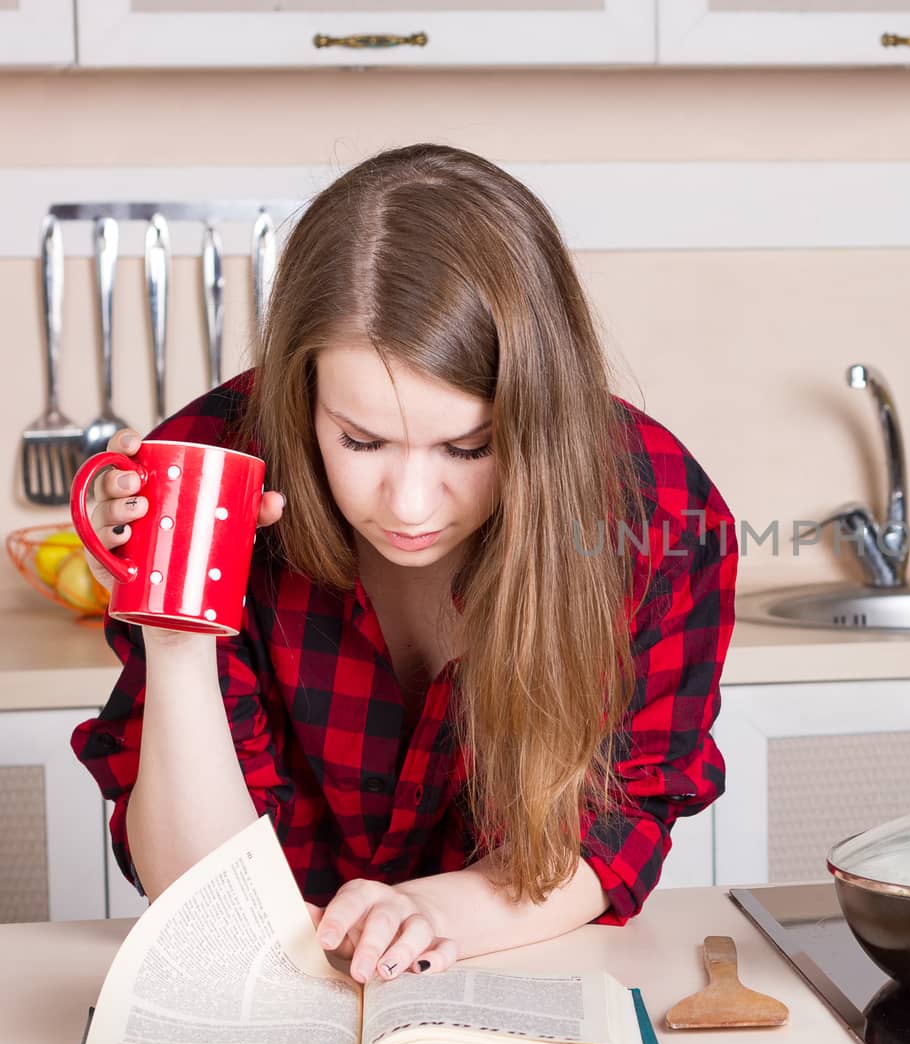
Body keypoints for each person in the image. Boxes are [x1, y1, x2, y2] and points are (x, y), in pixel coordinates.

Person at [70, 143, 737, 986]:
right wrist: (173, 629)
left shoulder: (659, 516)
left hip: (518, 968)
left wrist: (434, 910)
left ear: (534, 415)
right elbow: (195, 890)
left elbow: (617, 828)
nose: (411, 503)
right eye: (361, 439)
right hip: (270, 988)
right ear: (300, 390)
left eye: (467, 446)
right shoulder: (211, 468)